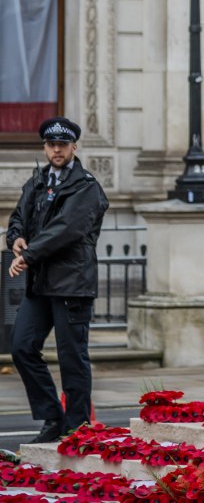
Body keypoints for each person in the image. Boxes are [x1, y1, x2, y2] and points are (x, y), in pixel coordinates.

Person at [6, 116, 109, 443]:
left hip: (72, 284)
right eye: (51, 145)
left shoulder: (86, 186)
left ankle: (77, 427)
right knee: (22, 347)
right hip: (41, 283)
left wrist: (29, 254)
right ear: (45, 147)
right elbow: (19, 216)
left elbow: (67, 229)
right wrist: (16, 239)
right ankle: (52, 416)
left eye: (62, 145)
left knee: (72, 358)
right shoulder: (37, 181)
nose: (56, 150)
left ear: (73, 147)